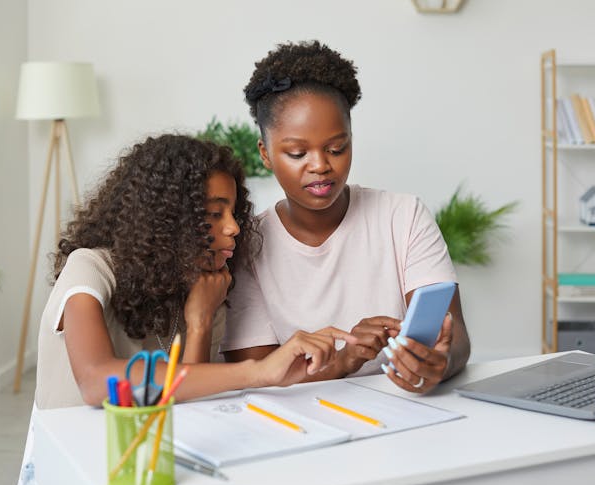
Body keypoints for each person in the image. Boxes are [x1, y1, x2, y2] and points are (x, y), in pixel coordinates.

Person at [34, 134, 356, 410]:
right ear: (165, 221)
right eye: (214, 214)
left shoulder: (207, 287)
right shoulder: (90, 267)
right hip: (75, 456)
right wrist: (258, 372)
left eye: (233, 212)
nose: (233, 227)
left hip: (145, 460)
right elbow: (95, 380)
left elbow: (185, 406)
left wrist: (200, 320)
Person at [222, 41, 471, 393]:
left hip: (405, 410)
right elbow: (258, 376)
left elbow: (455, 336)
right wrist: (345, 360)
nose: (321, 165)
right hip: (301, 427)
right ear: (265, 153)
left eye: (337, 148)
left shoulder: (403, 216)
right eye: (297, 153)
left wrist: (439, 363)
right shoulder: (249, 243)